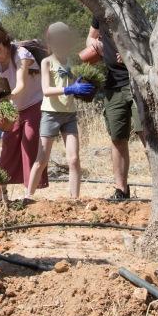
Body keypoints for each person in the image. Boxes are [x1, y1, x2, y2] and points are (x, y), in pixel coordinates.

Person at [27, 22, 92, 200]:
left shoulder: (71, 62)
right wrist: (69, 90)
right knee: (42, 160)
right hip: (50, 114)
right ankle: (28, 196)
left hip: (69, 115)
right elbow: (46, 90)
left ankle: (75, 199)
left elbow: (73, 87)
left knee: (74, 159)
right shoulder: (47, 62)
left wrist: (81, 87)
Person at [0, 21, 46, 198]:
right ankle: (2, 194)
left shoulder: (20, 54)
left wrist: (4, 100)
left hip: (34, 102)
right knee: (8, 146)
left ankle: (29, 194)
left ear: (4, 38)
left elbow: (21, 85)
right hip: (13, 107)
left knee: (30, 139)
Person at [86, 17, 144, 200]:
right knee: (117, 139)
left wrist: (131, 54)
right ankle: (121, 190)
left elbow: (149, 45)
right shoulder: (98, 14)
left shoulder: (129, 13)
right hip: (113, 86)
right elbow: (89, 38)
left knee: (146, 135)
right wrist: (95, 44)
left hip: (137, 83)